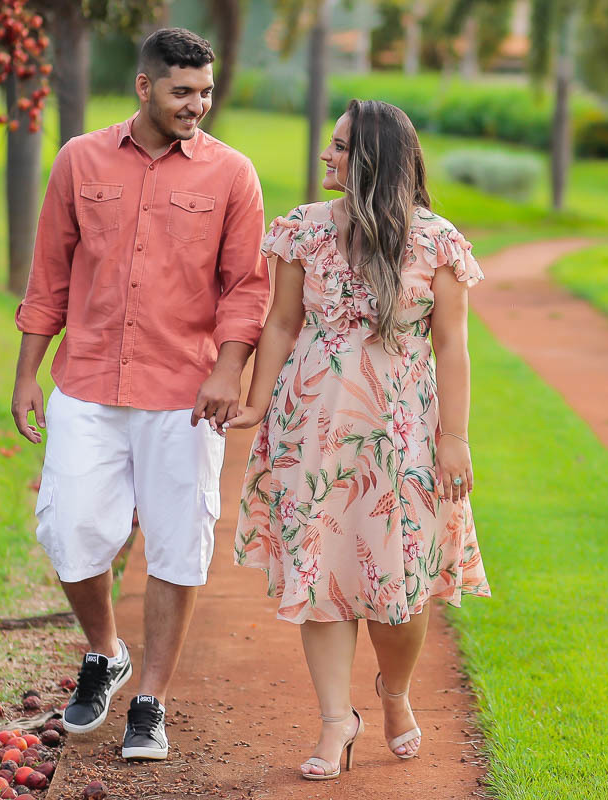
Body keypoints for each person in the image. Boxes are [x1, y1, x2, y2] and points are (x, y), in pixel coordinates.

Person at [10, 28, 269, 761]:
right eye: (182, 91)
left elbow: (245, 288)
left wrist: (229, 367)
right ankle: (105, 651)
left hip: (183, 394)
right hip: (87, 380)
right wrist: (27, 373)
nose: (197, 105)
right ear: (144, 87)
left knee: (177, 547)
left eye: (206, 92)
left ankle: (149, 703)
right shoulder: (80, 159)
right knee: (69, 530)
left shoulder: (232, 175)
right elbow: (48, 275)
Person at [225, 100, 491, 780]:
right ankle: (334, 720)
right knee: (322, 574)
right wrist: (258, 401)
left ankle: (394, 692)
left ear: (374, 158)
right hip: (314, 424)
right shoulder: (305, 230)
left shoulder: (436, 241)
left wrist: (453, 438)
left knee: (401, 587)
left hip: (402, 429)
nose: (327, 156)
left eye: (340, 146)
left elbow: (453, 346)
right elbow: (281, 324)